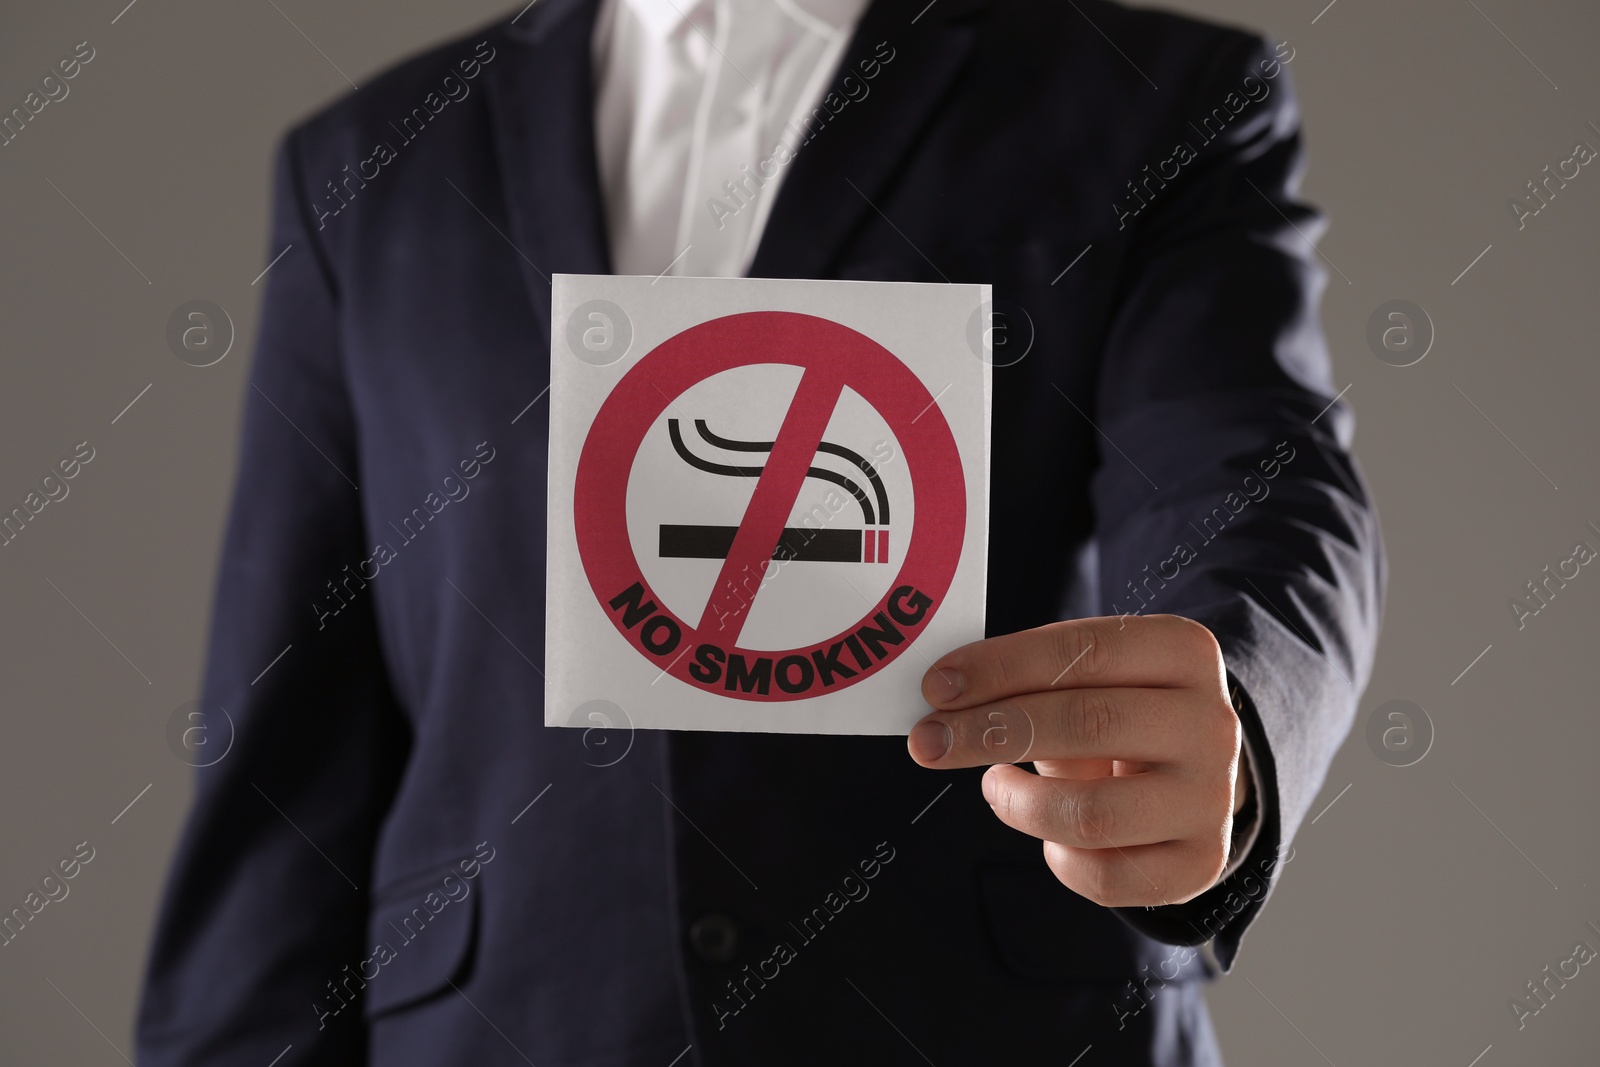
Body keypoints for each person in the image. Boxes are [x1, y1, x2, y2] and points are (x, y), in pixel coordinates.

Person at [136, 0, 1383, 1063]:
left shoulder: (1150, 100)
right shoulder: (370, 167)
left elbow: (1254, 485)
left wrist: (1235, 703)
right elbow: (287, 743)